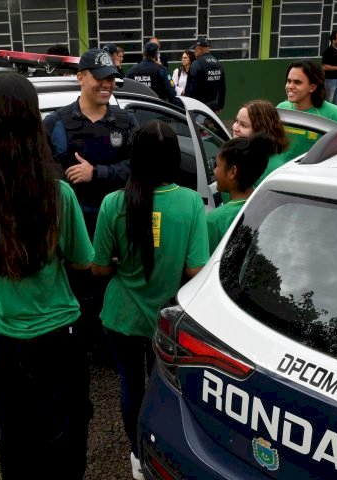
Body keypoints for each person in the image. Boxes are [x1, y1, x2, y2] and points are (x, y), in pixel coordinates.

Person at [0, 73, 95, 479]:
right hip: (57, 335)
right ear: (34, 122)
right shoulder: (57, 194)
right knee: (65, 431)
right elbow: (82, 260)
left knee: (15, 430)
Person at [91, 120, 209, 480]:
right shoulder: (190, 202)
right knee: (164, 389)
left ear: (135, 158)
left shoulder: (113, 203)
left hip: (121, 316)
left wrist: (115, 265)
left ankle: (137, 454)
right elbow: (195, 271)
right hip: (166, 321)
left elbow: (97, 268)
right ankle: (160, 451)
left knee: (130, 386)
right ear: (175, 159)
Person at [44, 47, 139, 235]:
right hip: (72, 230)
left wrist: (96, 173)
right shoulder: (55, 123)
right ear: (80, 78)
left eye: (110, 78)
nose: (106, 84)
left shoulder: (126, 122)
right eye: (99, 77)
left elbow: (138, 169)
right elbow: (43, 176)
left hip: (117, 227)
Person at [207, 134, 275, 253]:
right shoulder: (269, 207)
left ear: (232, 172)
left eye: (217, 165)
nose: (214, 171)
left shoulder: (216, 220)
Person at [277, 60, 337, 159]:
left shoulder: (333, 113)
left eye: (297, 82)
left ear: (312, 87)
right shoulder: (282, 108)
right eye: (289, 81)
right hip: (284, 172)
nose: (290, 86)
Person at [232, 100, 290, 187]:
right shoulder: (239, 154)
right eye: (236, 121)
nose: (235, 128)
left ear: (261, 131)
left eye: (243, 125)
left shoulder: (274, 168)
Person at [185, 36, 226, 113]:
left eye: (195, 49)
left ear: (199, 49)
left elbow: (190, 89)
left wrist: (188, 106)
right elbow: (222, 88)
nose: (194, 52)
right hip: (213, 108)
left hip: (199, 107)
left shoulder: (196, 64)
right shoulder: (218, 64)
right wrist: (220, 106)